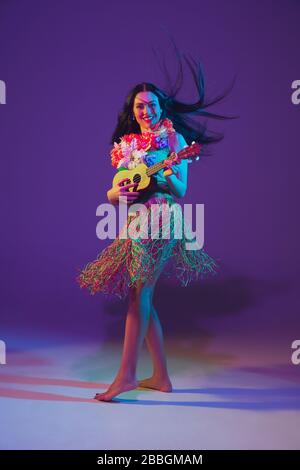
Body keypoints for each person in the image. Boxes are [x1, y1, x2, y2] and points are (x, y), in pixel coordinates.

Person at [78, 58, 230, 401]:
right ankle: (161, 377)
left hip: (162, 219)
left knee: (138, 294)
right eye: (139, 106)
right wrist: (117, 193)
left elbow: (180, 191)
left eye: (152, 105)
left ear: (161, 108)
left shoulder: (175, 140)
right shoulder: (128, 145)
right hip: (135, 222)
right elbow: (116, 191)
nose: (146, 111)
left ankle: (126, 376)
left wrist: (163, 174)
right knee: (142, 296)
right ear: (132, 111)